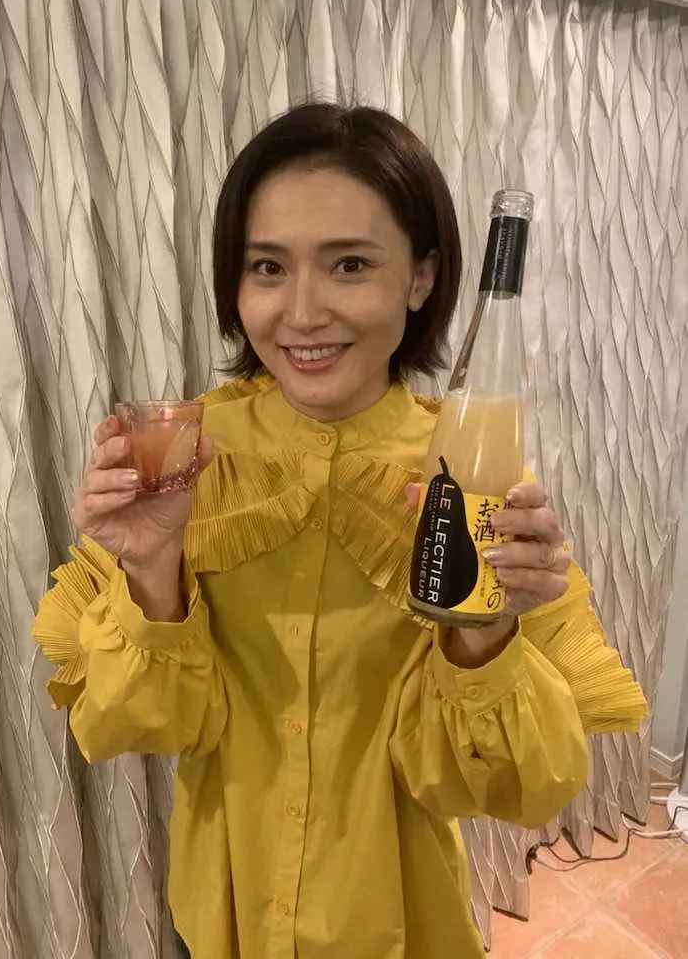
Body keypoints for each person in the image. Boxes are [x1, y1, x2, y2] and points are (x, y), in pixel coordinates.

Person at [33, 103, 648, 959]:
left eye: (349, 264)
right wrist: (150, 567)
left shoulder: (473, 477)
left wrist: (484, 631)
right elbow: (143, 728)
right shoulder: (185, 457)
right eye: (267, 267)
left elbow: (510, 788)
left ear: (420, 279)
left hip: (397, 920)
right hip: (224, 914)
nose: (302, 312)